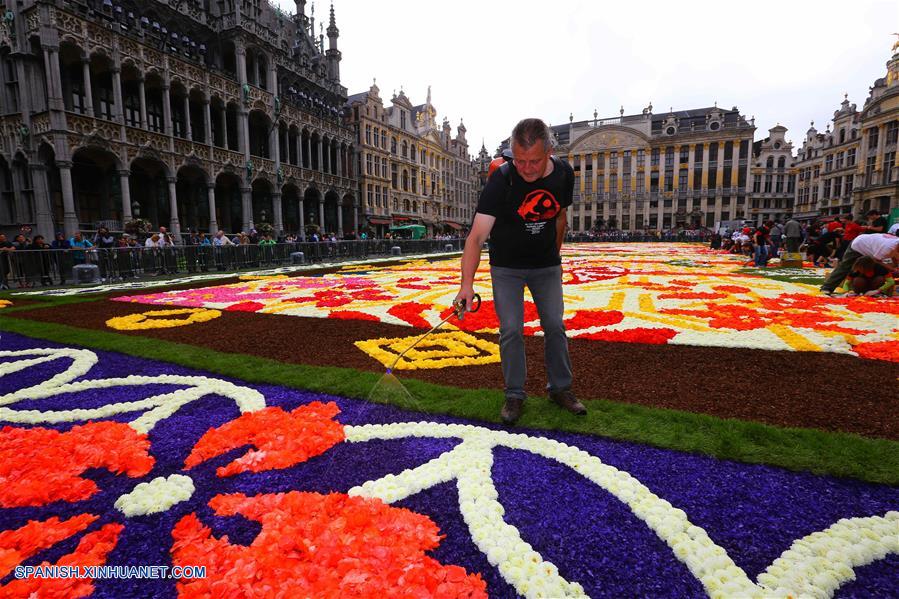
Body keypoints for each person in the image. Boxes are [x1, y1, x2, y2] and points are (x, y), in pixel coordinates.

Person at [454, 118, 584, 425]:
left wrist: (555, 254)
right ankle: (514, 394)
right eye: (520, 160)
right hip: (507, 267)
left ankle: (560, 389)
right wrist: (466, 285)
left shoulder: (564, 173)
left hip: (545, 265)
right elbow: (475, 236)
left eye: (534, 161)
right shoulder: (502, 179)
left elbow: (560, 217)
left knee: (554, 325)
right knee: (511, 329)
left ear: (549, 152)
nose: (526, 168)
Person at [820, 233, 899, 294]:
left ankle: (872, 291)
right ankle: (827, 288)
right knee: (845, 267)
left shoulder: (896, 243)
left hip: (870, 247)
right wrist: (892, 269)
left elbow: (894, 256)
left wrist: (896, 266)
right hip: (859, 245)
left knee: (873, 269)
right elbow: (877, 261)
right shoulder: (886, 248)